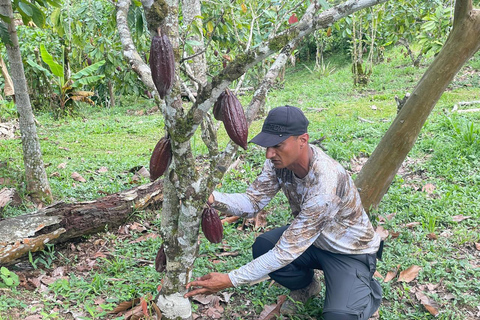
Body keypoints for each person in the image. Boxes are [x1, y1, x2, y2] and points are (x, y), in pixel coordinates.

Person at [185, 105, 382, 319]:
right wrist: (214, 198)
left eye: (278, 145)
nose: (270, 154)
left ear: (303, 140)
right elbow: (253, 201)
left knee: (338, 316)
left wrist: (229, 279)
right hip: (314, 240)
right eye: (267, 146)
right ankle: (307, 287)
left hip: (349, 252)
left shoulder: (326, 183)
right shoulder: (278, 163)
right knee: (263, 246)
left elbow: (285, 252)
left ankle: (366, 292)